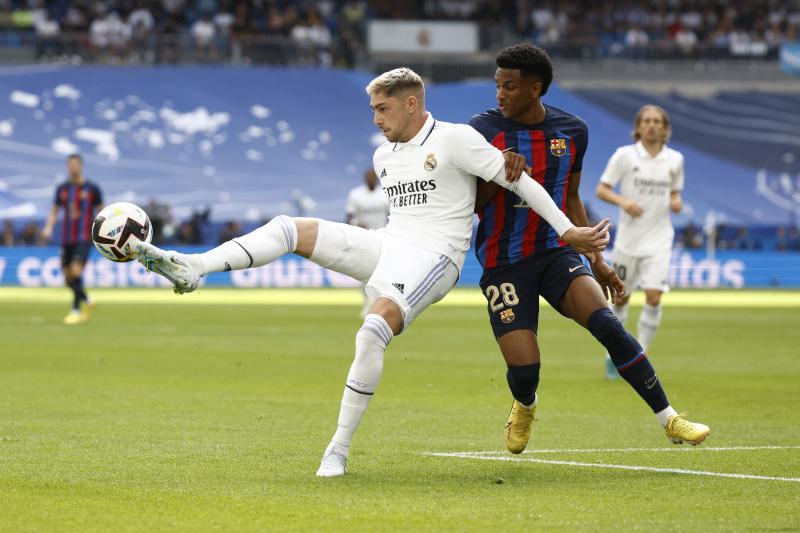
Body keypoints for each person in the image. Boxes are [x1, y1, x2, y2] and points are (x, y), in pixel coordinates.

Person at [135, 67, 609, 477]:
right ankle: (195, 267)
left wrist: (568, 230)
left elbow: (521, 181)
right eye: (373, 110)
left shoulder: (455, 139)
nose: (376, 120)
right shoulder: (384, 155)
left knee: (372, 330)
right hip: (390, 243)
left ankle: (337, 451)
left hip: (437, 258)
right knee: (288, 228)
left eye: (383, 109)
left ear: (411, 103)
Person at [469, 43, 708, 455]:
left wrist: (596, 260)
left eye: (509, 86)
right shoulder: (482, 130)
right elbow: (470, 203)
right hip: (503, 263)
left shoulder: (572, 131)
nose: (500, 94)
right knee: (526, 371)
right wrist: (497, 172)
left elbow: (571, 196)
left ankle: (669, 418)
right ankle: (525, 404)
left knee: (609, 326)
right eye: (497, 85)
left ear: (535, 89)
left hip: (555, 253)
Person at [596, 105, 685, 379]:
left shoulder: (675, 160)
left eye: (657, 121)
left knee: (654, 297)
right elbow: (602, 189)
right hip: (629, 241)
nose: (652, 125)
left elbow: (674, 192)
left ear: (665, 128)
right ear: (638, 126)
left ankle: (640, 355)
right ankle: (614, 356)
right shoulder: (625, 155)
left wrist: (675, 200)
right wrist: (623, 201)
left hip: (659, 239)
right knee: (620, 298)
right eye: (646, 121)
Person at [41, 154, 104, 325]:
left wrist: (104, 231)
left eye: (76, 164)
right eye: (70, 165)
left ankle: (75, 310)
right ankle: (87, 299)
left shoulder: (92, 188)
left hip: (84, 237)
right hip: (66, 238)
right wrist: (48, 227)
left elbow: (102, 211)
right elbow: (54, 210)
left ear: (81, 166)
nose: (73, 167)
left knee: (76, 271)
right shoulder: (62, 189)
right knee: (68, 279)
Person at [345, 168, 390, 316]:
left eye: (373, 177)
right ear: (365, 179)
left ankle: (376, 304)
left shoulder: (385, 194)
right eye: (368, 177)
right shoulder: (356, 194)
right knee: (364, 272)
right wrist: (356, 224)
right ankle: (367, 302)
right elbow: (349, 216)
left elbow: (393, 214)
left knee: (381, 272)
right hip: (362, 238)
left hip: (382, 237)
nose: (370, 179)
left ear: (376, 179)